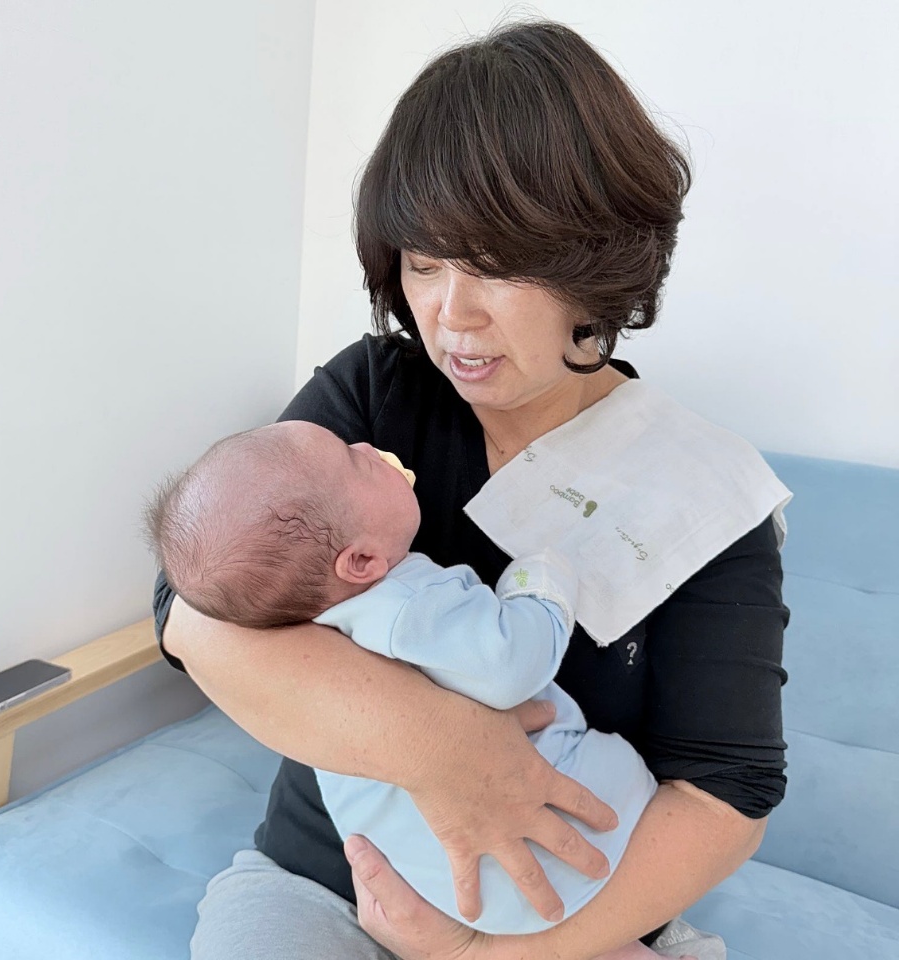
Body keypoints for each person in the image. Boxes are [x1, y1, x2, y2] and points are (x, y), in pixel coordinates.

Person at [155, 19, 788, 960]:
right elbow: (193, 615)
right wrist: (448, 753)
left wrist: (482, 958)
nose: (451, 314)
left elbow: (726, 793)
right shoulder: (374, 397)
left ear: (595, 263)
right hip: (328, 882)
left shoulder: (700, 493)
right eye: (423, 263)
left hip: (567, 919)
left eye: (495, 265)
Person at [144, 421, 673, 951]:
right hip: (524, 871)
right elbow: (512, 664)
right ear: (361, 561)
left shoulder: (300, 622)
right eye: (354, 460)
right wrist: (542, 580)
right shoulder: (410, 605)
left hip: (439, 882)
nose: (367, 445)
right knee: (618, 775)